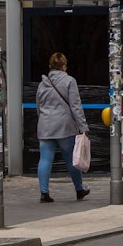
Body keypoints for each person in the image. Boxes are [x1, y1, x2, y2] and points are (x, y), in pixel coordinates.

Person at [36, 53, 90, 202]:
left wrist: (42, 120)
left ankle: (44, 193)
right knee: (72, 159)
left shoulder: (42, 84)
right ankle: (79, 189)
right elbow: (75, 106)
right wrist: (83, 126)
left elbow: (39, 106)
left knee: (45, 159)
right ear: (64, 66)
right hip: (64, 127)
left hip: (45, 126)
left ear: (50, 66)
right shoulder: (69, 81)